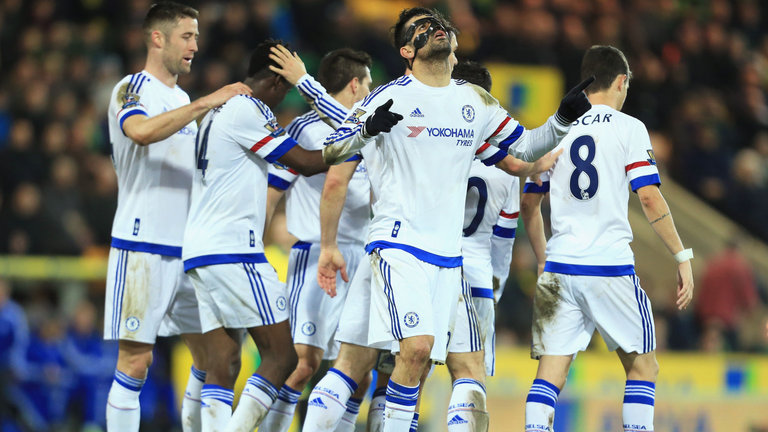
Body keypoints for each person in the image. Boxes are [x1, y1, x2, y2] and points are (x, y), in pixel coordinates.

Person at [319, 8, 592, 431]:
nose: (434, 29)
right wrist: (366, 127)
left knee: (428, 359)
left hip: (449, 257)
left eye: (438, 23)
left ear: (454, 40)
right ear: (407, 50)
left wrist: (561, 120)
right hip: (398, 243)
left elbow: (526, 148)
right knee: (416, 348)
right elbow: (331, 151)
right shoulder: (389, 96)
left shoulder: (475, 101)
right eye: (420, 29)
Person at [519, 45, 695, 432]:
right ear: (621, 81)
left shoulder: (556, 128)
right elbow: (648, 196)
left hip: (561, 266)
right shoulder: (628, 128)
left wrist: (544, 256)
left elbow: (530, 206)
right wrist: (681, 255)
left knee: (550, 375)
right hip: (608, 266)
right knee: (643, 367)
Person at [103, 2, 251, 431]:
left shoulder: (182, 99)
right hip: (142, 245)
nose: (195, 46)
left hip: (190, 251)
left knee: (218, 356)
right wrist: (208, 102)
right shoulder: (131, 89)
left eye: (197, 36)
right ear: (157, 38)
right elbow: (142, 132)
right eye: (187, 36)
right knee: (136, 360)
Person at [181, 40, 332, 432]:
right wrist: (359, 141)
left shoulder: (217, 110)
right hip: (232, 251)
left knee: (223, 360)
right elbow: (305, 162)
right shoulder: (249, 109)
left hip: (199, 249)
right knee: (282, 357)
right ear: (279, 83)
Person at [260, 47, 375, 432]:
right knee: (301, 364)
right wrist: (254, 246)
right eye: (369, 84)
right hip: (314, 257)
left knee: (359, 371)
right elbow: (272, 192)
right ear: (355, 84)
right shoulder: (303, 129)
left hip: (364, 258)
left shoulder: (369, 129)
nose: (373, 93)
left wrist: (304, 81)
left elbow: (354, 129)